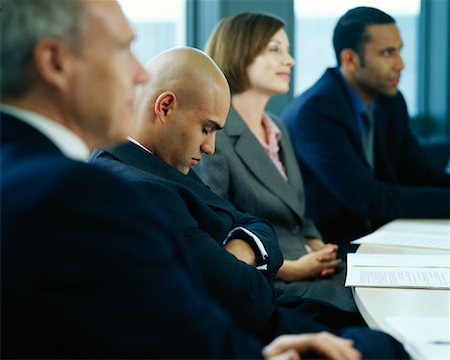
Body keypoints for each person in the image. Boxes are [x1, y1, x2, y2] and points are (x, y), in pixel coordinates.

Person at [1, 1, 363, 359]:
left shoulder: (33, 170)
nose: (140, 74)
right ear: (55, 62)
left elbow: (251, 224)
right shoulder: (82, 191)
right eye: (122, 49)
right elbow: (226, 315)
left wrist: (242, 252)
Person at [90, 46, 409, 359]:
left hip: (269, 313)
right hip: (255, 336)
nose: (210, 147)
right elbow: (247, 299)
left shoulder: (160, 161)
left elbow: (254, 222)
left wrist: (241, 251)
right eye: (206, 128)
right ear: (165, 107)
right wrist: (247, 254)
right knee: (390, 346)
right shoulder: (141, 186)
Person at [197, 12, 355, 313]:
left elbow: (298, 214)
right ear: (239, 53)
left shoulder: (279, 128)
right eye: (275, 49)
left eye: (288, 50)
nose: (290, 61)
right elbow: (218, 235)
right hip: (275, 283)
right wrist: (294, 268)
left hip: (313, 268)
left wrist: (319, 247)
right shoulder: (214, 134)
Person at [282, 6, 450, 255]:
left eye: (399, 50)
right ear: (350, 59)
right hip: (332, 250)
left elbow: (421, 175)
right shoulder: (315, 112)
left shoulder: (390, 101)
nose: (401, 64)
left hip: (383, 237)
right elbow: (368, 200)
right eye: (387, 53)